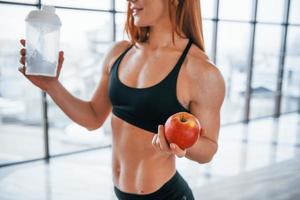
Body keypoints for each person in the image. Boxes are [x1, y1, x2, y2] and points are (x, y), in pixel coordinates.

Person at [19, 0, 225, 199]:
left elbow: (208, 150)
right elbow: (93, 117)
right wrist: (51, 86)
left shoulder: (201, 71)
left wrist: (178, 143)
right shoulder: (119, 53)